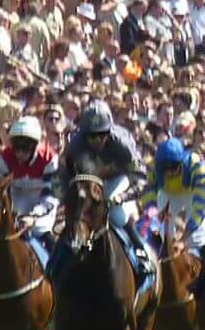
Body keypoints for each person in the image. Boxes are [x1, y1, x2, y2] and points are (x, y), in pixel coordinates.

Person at [57, 100, 151, 284]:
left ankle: (141, 255)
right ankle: (55, 262)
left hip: (116, 180)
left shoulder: (122, 144)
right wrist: (66, 199)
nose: (98, 140)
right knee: (76, 218)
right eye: (93, 136)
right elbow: (61, 178)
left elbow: (141, 178)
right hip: (87, 181)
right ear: (84, 134)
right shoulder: (74, 146)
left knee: (118, 216)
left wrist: (123, 197)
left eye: (103, 134)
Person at [0, 114, 59, 270]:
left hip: (41, 200)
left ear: (35, 146)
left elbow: (51, 195)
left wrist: (34, 217)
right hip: (17, 196)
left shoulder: (49, 159)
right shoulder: (3, 158)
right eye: (17, 148)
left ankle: (58, 272)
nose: (20, 153)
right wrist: (12, 213)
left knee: (44, 232)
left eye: (26, 148)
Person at [138, 135, 205, 250]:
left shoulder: (198, 170)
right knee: (162, 236)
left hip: (191, 195)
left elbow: (201, 207)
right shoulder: (152, 167)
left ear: (182, 162)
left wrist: (183, 240)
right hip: (167, 194)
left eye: (173, 167)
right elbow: (148, 196)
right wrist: (152, 215)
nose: (169, 172)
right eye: (164, 168)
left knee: (195, 242)